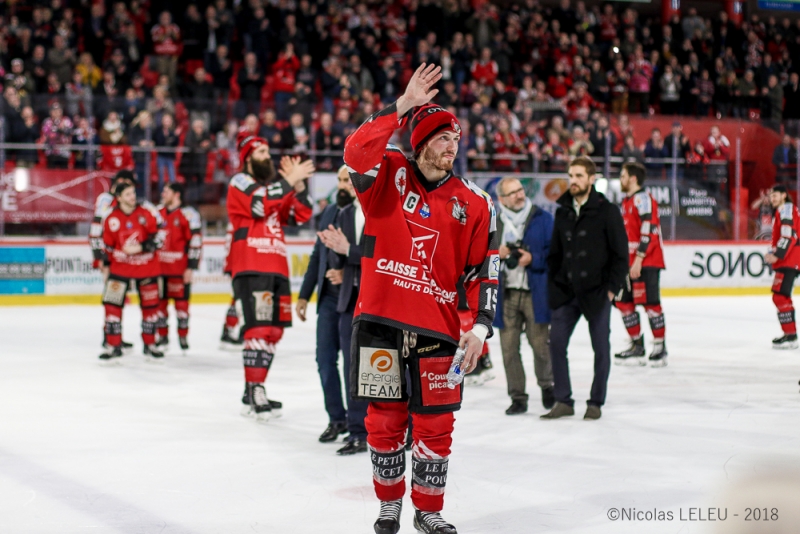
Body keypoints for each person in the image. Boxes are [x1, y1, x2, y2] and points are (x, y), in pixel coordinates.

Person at [343, 64, 497, 534]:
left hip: (440, 332)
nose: (453, 145)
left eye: (456, 138)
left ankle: (427, 511)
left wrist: (480, 328)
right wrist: (403, 105)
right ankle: (389, 506)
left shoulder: (474, 201)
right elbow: (354, 151)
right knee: (384, 425)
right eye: (443, 136)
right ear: (422, 140)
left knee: (437, 428)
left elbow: (484, 269)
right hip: (380, 323)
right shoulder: (386, 172)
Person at [226, 133, 315, 420]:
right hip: (252, 264)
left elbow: (301, 214)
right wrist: (288, 181)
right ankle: (257, 389)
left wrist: (299, 185)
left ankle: (251, 388)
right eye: (262, 151)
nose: (268, 155)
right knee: (257, 329)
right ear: (248, 156)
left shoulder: (273, 188)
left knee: (273, 331)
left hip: (277, 266)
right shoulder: (239, 182)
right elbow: (260, 204)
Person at [543, 156, 628, 421]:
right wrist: (554, 286)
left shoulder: (607, 210)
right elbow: (555, 253)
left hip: (597, 293)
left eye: (579, 176)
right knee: (555, 344)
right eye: (571, 175)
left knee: (601, 348)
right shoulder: (563, 210)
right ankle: (563, 401)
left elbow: (621, 255)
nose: (574, 181)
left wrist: (611, 290)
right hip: (566, 292)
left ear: (592, 179)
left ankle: (596, 402)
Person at [317, 173, 370, 456]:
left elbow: (384, 254)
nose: (347, 186)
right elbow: (329, 257)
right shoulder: (344, 213)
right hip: (349, 302)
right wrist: (335, 250)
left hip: (381, 301)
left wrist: (347, 250)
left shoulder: (384, 210)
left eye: (350, 180)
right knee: (352, 366)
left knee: (393, 369)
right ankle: (356, 429)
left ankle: (406, 426)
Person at [297, 166, 350, 444]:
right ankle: (336, 418)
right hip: (328, 298)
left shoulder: (366, 212)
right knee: (325, 360)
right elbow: (317, 255)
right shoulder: (329, 212)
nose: (342, 185)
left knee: (351, 365)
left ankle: (357, 423)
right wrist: (305, 295)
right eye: (340, 180)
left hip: (354, 298)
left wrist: (347, 276)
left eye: (347, 180)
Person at [493, 177, 554, 415]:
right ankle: (518, 397)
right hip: (505, 293)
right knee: (509, 349)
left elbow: (555, 254)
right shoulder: (494, 223)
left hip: (534, 293)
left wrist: (533, 259)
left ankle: (547, 387)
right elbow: (478, 257)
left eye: (520, 190)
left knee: (541, 346)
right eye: (513, 193)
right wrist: (496, 253)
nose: (519, 195)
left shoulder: (543, 218)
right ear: (502, 199)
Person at [99, 180, 164, 361]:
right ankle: (113, 345)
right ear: (119, 198)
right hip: (120, 268)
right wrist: (105, 266)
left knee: (151, 308)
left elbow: (160, 237)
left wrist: (142, 246)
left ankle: (150, 344)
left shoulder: (147, 213)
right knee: (112, 306)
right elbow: (106, 246)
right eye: (128, 194)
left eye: (133, 193)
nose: (133, 197)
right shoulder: (110, 217)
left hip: (146, 268)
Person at [613, 162, 668, 367]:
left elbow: (649, 231)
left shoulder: (643, 199)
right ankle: (637, 346)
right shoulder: (626, 201)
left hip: (647, 261)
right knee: (623, 303)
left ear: (633, 178)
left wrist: (638, 260)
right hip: (627, 263)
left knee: (651, 304)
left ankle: (660, 347)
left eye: (623, 175)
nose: (621, 179)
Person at [90, 170, 137, 354]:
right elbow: (96, 228)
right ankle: (109, 337)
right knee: (113, 296)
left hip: (125, 258)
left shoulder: (130, 202)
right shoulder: (105, 200)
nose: (124, 183)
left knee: (119, 298)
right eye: (121, 180)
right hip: (109, 257)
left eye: (127, 181)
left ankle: (116, 335)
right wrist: (99, 256)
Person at [156, 183, 203, 352]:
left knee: (182, 307)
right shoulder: (157, 212)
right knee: (160, 307)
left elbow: (196, 242)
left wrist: (191, 267)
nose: (162, 193)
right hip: (159, 270)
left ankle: (183, 336)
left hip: (179, 269)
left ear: (176, 194)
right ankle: (162, 336)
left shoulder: (189, 214)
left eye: (166, 191)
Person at [765, 185, 800, 349]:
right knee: (779, 296)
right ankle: (790, 334)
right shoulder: (783, 210)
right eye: (771, 196)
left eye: (776, 195)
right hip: (788, 259)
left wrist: (777, 254)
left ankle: (791, 335)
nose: (773, 198)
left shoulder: (786, 209)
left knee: (780, 296)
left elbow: (789, 235)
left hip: (789, 258)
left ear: (784, 196)